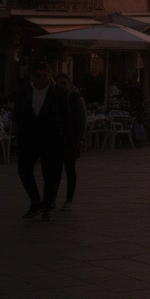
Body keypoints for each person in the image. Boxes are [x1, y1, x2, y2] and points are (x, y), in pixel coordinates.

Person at [14, 62, 69, 220]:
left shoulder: (58, 92)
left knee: (50, 174)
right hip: (29, 138)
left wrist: (64, 138)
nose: (43, 79)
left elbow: (66, 116)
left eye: (46, 76)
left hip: (51, 139)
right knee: (24, 170)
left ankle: (47, 206)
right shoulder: (24, 92)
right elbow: (18, 113)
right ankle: (35, 202)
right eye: (39, 76)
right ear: (32, 76)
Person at [55, 73, 85, 211]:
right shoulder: (52, 98)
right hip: (55, 139)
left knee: (70, 170)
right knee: (54, 171)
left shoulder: (75, 98)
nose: (61, 86)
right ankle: (51, 199)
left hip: (70, 139)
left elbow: (81, 120)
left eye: (64, 83)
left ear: (69, 84)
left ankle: (69, 199)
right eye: (58, 83)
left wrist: (78, 140)